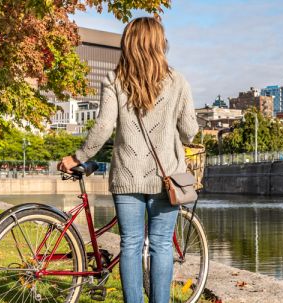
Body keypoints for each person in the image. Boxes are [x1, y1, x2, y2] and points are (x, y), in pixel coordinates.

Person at [58, 17, 198, 303]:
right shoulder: (178, 81)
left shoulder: (114, 80)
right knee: (161, 245)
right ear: (160, 44)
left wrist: (77, 157)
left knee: (131, 245)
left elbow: (103, 128)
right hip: (167, 177)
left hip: (126, 176)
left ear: (128, 44)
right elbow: (190, 131)